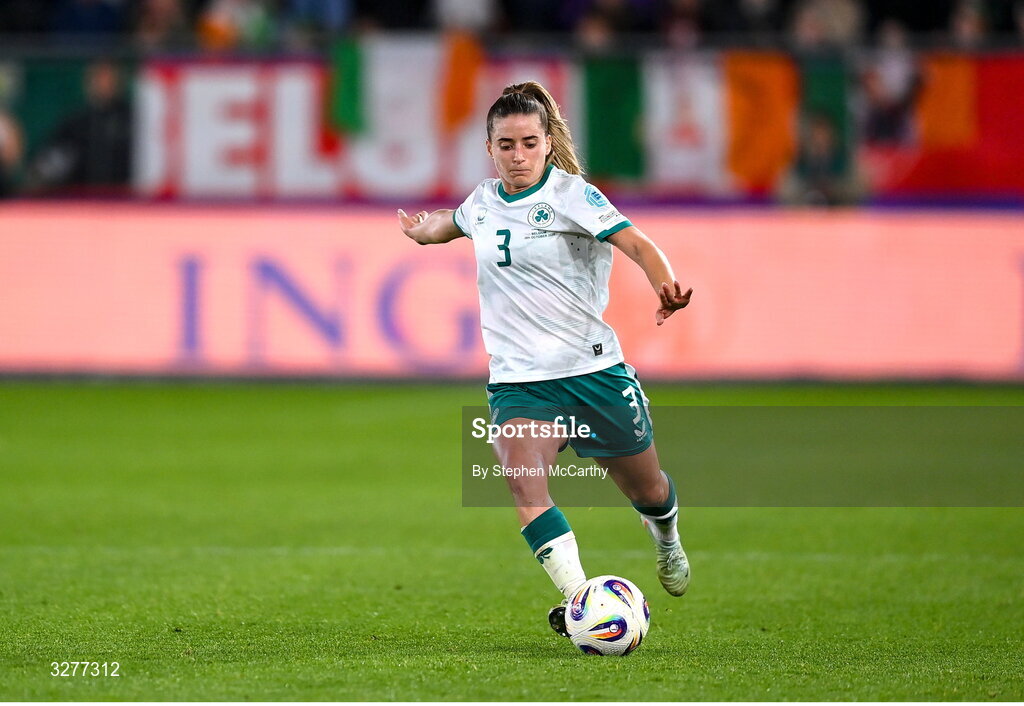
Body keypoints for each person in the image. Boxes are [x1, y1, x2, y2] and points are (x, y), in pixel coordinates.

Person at [397, 82, 693, 638]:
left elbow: (637, 244)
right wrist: (423, 230)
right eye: (506, 145)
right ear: (490, 147)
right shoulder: (483, 201)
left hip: (592, 373)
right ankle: (582, 600)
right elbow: (451, 224)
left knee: (648, 491)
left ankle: (667, 540)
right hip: (520, 382)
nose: (518, 156)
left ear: (548, 143)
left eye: (530, 143)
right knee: (522, 483)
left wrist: (665, 286)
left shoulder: (572, 195)